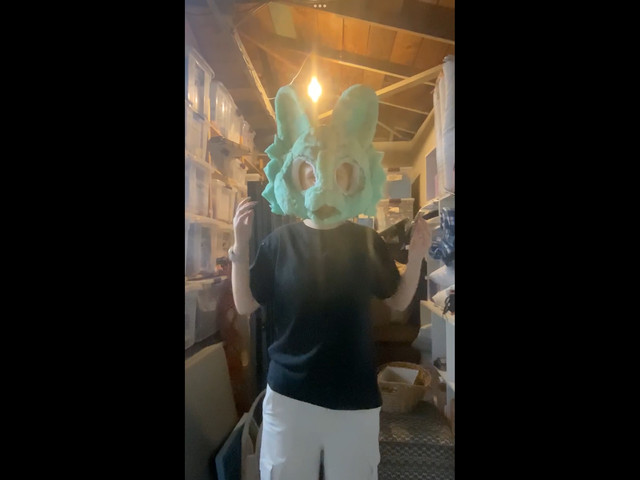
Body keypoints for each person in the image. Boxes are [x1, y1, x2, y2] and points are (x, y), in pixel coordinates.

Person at [229, 84, 430, 480]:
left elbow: (396, 301)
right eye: (311, 172)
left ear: (353, 174)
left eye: (340, 171)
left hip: (353, 400)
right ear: (297, 175)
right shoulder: (278, 243)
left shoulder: (367, 242)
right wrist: (239, 245)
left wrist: (419, 257)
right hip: (289, 399)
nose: (324, 182)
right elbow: (245, 304)